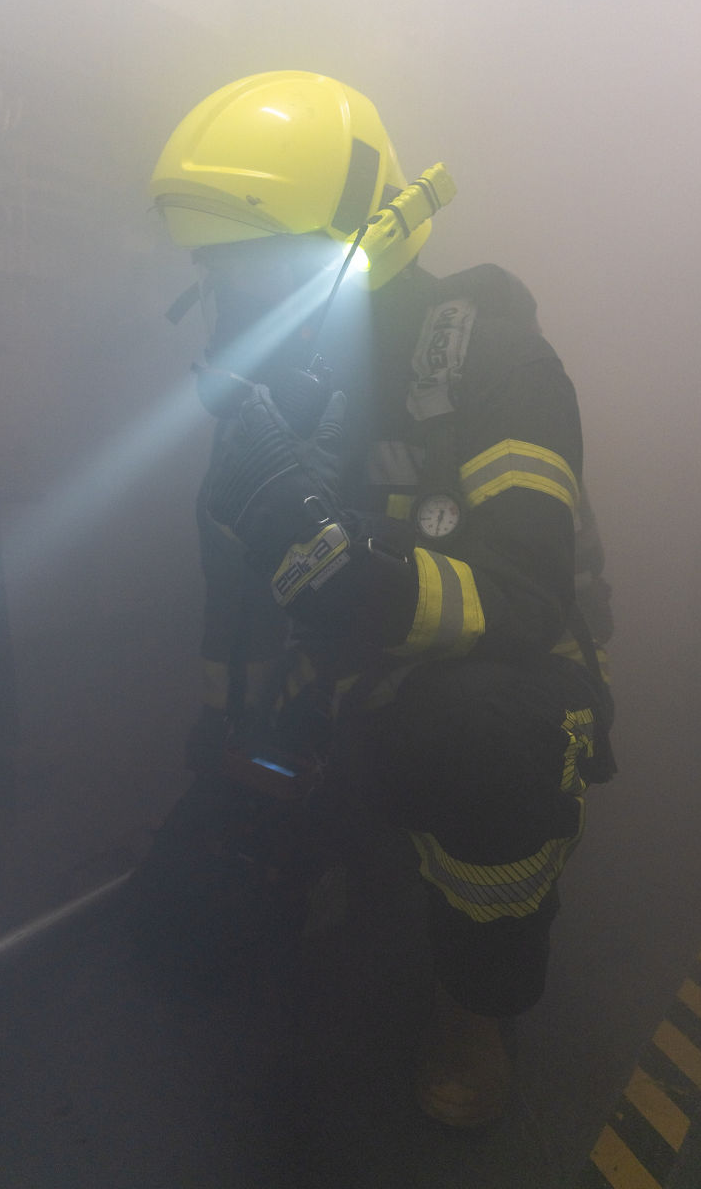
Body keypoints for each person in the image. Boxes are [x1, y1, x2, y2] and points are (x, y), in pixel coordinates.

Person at [144, 71, 615, 1137]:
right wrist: (229, 746)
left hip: (484, 690)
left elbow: (526, 597)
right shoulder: (278, 394)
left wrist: (343, 570)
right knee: (181, 935)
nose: (236, 305)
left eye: (258, 269)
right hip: (342, 689)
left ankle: (475, 1004)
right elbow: (236, 606)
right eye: (219, 275)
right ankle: (345, 831)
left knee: (485, 737)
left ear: (358, 242)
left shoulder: (497, 361)